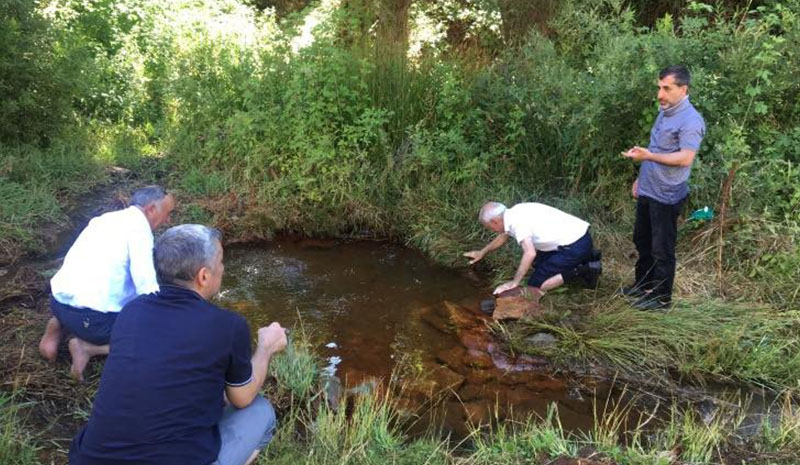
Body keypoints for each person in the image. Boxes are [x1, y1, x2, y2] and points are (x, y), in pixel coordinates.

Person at [68, 224, 287, 465]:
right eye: (221, 261)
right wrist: (266, 347)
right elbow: (242, 398)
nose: (223, 268)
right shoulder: (228, 326)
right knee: (262, 412)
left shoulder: (132, 312)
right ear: (204, 276)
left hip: (89, 459)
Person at [38, 185, 175, 380]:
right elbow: (146, 288)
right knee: (152, 337)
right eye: (168, 213)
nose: (168, 220)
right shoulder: (140, 231)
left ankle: (57, 324)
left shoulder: (105, 219)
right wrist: (166, 315)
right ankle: (87, 348)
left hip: (58, 302)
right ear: (151, 209)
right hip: (91, 320)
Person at [621, 65, 706, 310]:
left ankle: (661, 298)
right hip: (648, 188)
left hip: (666, 194)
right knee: (642, 240)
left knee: (662, 249)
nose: (660, 94)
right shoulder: (664, 111)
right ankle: (643, 285)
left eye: (666, 88)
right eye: (659, 87)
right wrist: (641, 176)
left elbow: (685, 158)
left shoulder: (691, 120)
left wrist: (648, 157)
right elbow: (655, 148)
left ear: (683, 89)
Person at [464, 201, 601, 298]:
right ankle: (588, 255)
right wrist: (482, 252)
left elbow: (530, 253)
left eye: (490, 227)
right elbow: (503, 236)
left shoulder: (517, 223)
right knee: (536, 264)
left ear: (495, 221)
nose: (492, 231)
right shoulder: (514, 212)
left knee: (535, 286)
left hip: (574, 245)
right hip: (579, 237)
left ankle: (586, 269)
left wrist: (514, 282)